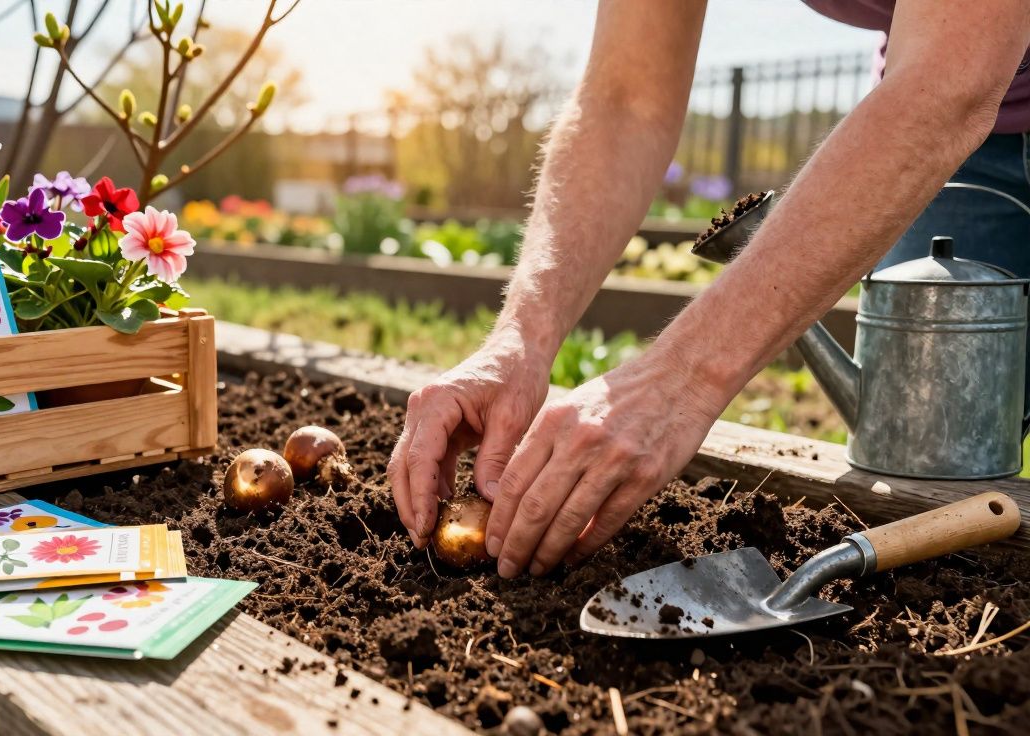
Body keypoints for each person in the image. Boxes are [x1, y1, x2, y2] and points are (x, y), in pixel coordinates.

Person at [389, 0, 1030, 579]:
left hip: (947, 90)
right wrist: (519, 339)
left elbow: (950, 82)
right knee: (936, 477)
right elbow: (626, 97)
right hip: (964, 130)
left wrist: (682, 379)